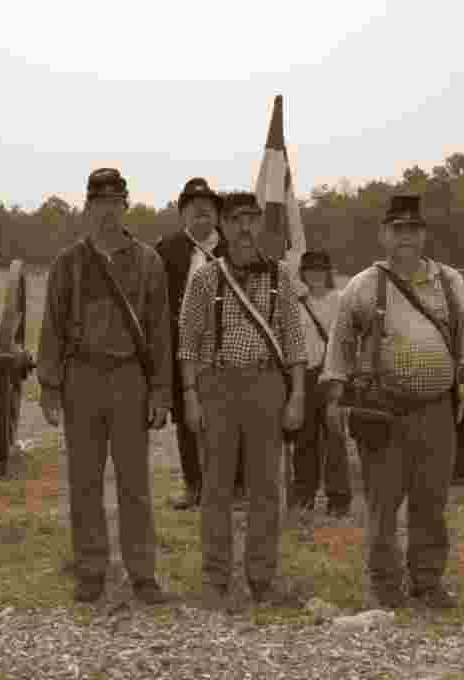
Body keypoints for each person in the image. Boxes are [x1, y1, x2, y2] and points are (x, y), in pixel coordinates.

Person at [322, 194, 464, 610]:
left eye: (412, 230)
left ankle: (427, 583)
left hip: (436, 411)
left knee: (431, 502)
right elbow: (340, 344)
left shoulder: (450, 282)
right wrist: (335, 398)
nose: (405, 238)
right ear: (383, 236)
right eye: (397, 230)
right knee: (382, 504)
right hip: (383, 413)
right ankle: (385, 585)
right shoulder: (362, 285)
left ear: (424, 235)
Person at [36, 168, 175, 605]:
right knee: (85, 480)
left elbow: (159, 332)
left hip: (130, 377)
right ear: (88, 207)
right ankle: (91, 569)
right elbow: (52, 327)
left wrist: (160, 391)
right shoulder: (68, 263)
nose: (107, 210)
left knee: (135, 481)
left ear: (125, 206)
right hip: (83, 377)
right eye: (100, 202)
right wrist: (51, 386)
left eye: (115, 201)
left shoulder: (149, 261)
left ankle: (142, 573)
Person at [177, 190, 306, 608]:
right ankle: (215, 579)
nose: (245, 227)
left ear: (259, 225)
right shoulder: (204, 279)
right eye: (236, 220)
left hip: (267, 387)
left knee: (266, 488)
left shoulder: (281, 276)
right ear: (224, 227)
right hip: (217, 388)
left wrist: (297, 396)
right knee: (215, 488)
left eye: (252, 219)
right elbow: (188, 345)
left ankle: (262, 578)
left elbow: (295, 343)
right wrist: (191, 396)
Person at [154, 177, 244, 511]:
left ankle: (235, 488)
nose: (201, 216)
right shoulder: (165, 250)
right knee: (186, 420)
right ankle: (194, 487)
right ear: (183, 215)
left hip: (229, 345)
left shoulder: (235, 250)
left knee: (230, 416)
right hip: (182, 348)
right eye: (194, 210)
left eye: (208, 211)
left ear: (218, 216)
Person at [290, 249, 351, 517]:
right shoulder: (295, 303)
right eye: (310, 270)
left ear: (328, 273)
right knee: (305, 439)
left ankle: (338, 498)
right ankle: (304, 493)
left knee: (335, 438)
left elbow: (348, 339)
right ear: (303, 274)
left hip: (332, 374)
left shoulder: (340, 301)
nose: (315, 275)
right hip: (306, 374)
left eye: (320, 270)